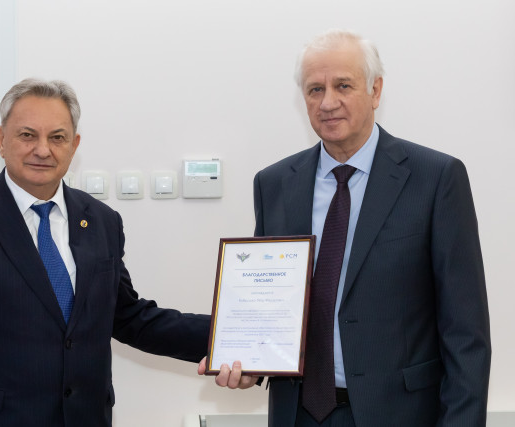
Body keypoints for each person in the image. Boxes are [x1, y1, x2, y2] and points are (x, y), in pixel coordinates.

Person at [199, 29, 491, 426]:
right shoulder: (274, 184)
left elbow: (466, 333)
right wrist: (252, 362)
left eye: (343, 86)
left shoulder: (436, 178)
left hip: (399, 415)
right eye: (315, 89)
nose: (328, 102)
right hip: (297, 414)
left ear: (375, 91)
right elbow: (271, 306)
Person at [0, 78, 210, 427]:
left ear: (74, 146)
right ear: (1, 139)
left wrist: (231, 335)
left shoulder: (102, 221)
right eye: (27, 135)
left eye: (57, 137)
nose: (43, 150)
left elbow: (127, 317)